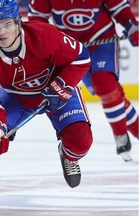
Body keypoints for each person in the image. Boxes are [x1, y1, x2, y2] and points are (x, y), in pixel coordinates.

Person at [0, 0, 93, 213]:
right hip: (16, 98)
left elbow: (80, 57)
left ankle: (68, 155)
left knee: (81, 140)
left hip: (56, 91)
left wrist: (62, 86)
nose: (1, 32)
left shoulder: (44, 35)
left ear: (18, 23)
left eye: (7, 25)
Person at [28, 0, 139, 162]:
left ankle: (120, 135)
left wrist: (130, 24)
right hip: (70, 48)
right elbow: (37, 19)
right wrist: (40, 44)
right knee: (110, 95)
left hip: (102, 39)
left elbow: (119, 7)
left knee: (105, 84)